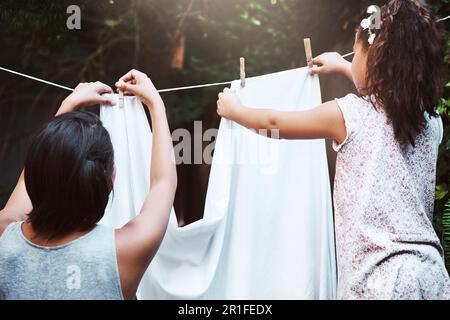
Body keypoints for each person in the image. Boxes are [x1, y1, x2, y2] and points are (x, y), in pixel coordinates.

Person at [217, 0, 449, 299]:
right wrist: (342, 64)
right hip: (430, 275)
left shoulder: (348, 115)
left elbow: (276, 123)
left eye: (356, 54)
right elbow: (390, 93)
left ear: (374, 59)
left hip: (378, 280)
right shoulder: (431, 122)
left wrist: (235, 110)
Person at [0, 70, 177, 300]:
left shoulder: (4, 234)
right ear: (111, 178)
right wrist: (155, 104)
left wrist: (69, 103)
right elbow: (163, 183)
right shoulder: (123, 252)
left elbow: (34, 172)